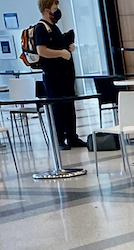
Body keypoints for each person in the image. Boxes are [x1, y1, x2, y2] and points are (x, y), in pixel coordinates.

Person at [33, 0, 84, 150]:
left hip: (65, 76)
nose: (57, 11)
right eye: (55, 8)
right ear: (47, 10)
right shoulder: (41, 28)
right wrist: (61, 53)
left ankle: (72, 136)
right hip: (53, 77)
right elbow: (41, 50)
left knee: (69, 106)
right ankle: (59, 138)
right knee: (57, 108)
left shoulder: (53, 28)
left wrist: (67, 47)